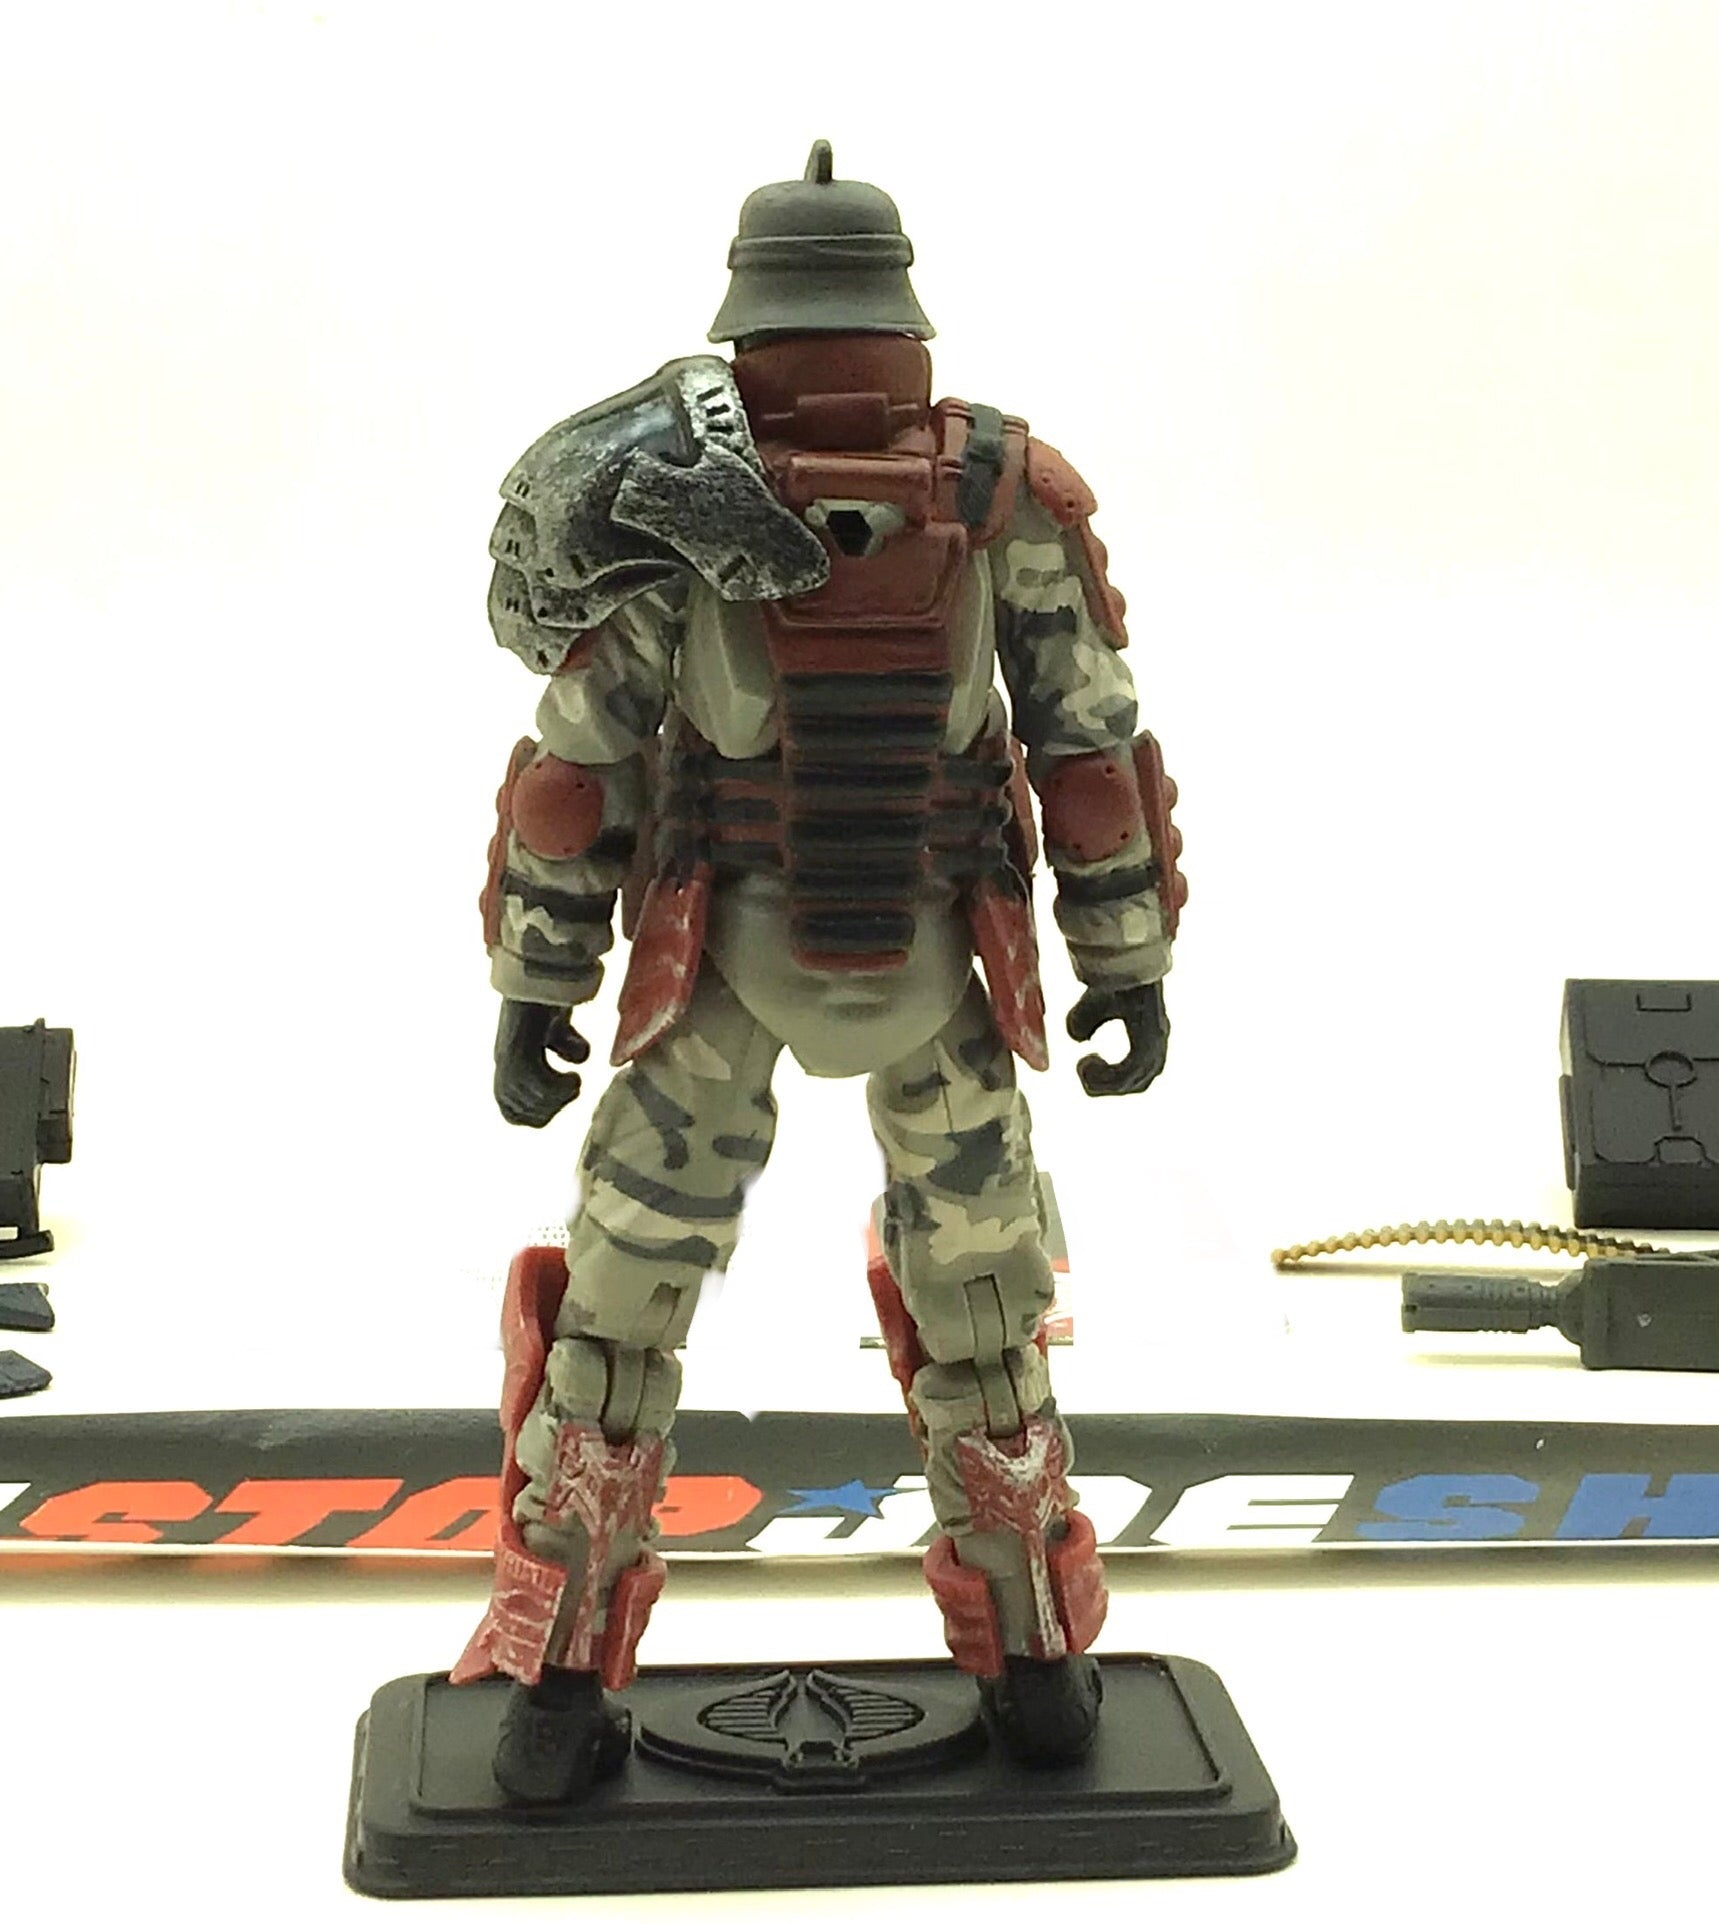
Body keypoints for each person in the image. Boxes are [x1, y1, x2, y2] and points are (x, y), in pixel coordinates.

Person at [453, 142, 1184, 1804]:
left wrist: (537, 979)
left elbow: (578, 776)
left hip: (753, 965)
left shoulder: (681, 502)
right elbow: (1088, 755)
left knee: (631, 1326)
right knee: (975, 1323)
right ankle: (1028, 1663)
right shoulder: (999, 497)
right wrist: (1125, 958)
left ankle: (567, 1677)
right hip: (896, 961)